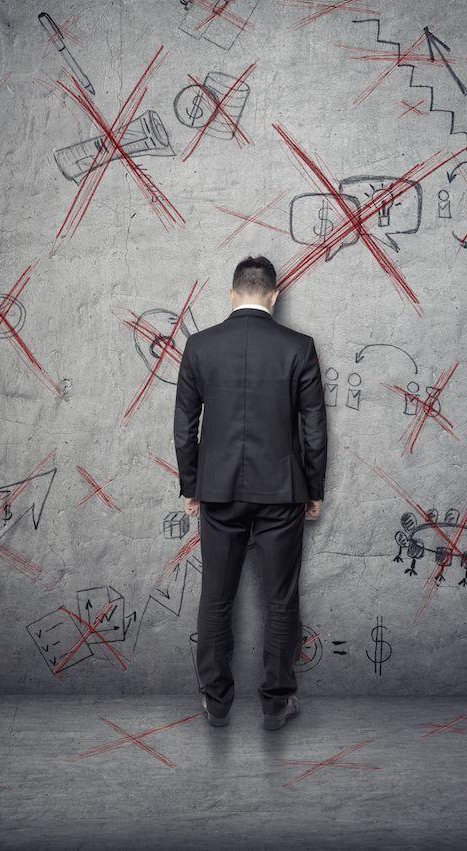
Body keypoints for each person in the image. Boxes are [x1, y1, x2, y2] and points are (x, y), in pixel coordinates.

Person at [173, 256, 327, 730]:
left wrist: (192, 484)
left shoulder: (200, 346)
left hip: (218, 491)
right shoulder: (299, 347)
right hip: (282, 491)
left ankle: (216, 702)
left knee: (216, 598)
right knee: (280, 599)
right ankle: (276, 704)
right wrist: (313, 489)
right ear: (274, 296)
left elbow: (184, 426)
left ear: (232, 293)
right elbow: (314, 428)